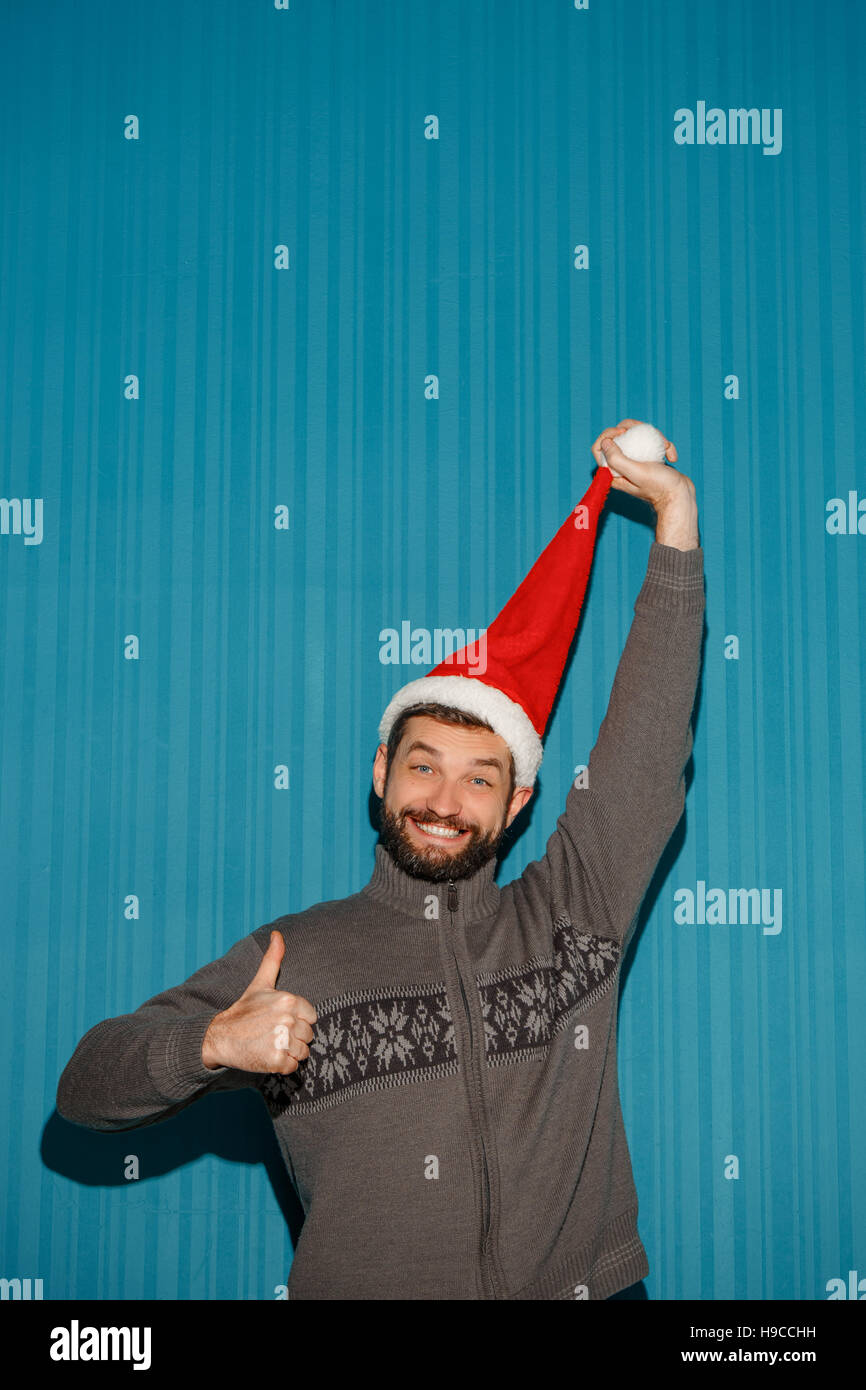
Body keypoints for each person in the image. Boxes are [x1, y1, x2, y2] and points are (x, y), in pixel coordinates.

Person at [57, 419, 704, 1300]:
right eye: (423, 765)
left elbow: (647, 740)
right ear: (380, 773)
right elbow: (86, 1084)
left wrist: (675, 517)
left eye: (481, 779)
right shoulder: (296, 954)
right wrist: (210, 1043)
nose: (445, 801)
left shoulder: (573, 917)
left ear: (517, 804)